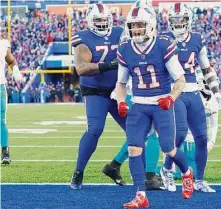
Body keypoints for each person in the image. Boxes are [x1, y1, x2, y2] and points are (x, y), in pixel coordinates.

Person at [116, 6, 194, 208]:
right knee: (134, 148)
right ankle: (141, 194)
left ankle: (186, 172)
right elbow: (121, 83)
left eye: (140, 25)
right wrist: (121, 101)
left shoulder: (163, 45)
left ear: (150, 25)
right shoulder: (125, 48)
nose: (136, 30)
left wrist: (171, 97)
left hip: (161, 102)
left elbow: (180, 80)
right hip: (139, 104)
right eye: (133, 26)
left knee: (168, 148)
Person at [160, 3, 221, 193]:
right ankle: (166, 170)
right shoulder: (163, 40)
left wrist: (217, 92)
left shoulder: (197, 39)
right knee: (179, 134)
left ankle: (200, 180)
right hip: (174, 91)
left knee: (202, 138)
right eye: (175, 20)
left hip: (194, 91)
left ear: (189, 21)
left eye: (182, 20)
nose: (178, 24)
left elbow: (206, 68)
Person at [101, 0, 165, 190]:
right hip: (138, 89)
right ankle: (150, 176)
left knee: (142, 133)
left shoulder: (126, 33)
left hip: (131, 88)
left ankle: (114, 165)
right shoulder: (138, 35)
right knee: (152, 132)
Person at [69, 3, 126, 189]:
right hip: (95, 92)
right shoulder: (83, 38)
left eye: (104, 19)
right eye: (98, 20)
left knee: (138, 130)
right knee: (95, 130)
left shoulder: (121, 32)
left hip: (118, 90)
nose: (102, 23)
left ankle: (118, 168)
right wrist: (108, 65)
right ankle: (78, 171)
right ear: (90, 21)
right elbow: (81, 69)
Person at [0, 35, 23, 165]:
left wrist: (15, 70)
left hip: (0, 85)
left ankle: (5, 152)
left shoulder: (3, 44)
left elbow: (11, 61)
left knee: (1, 119)